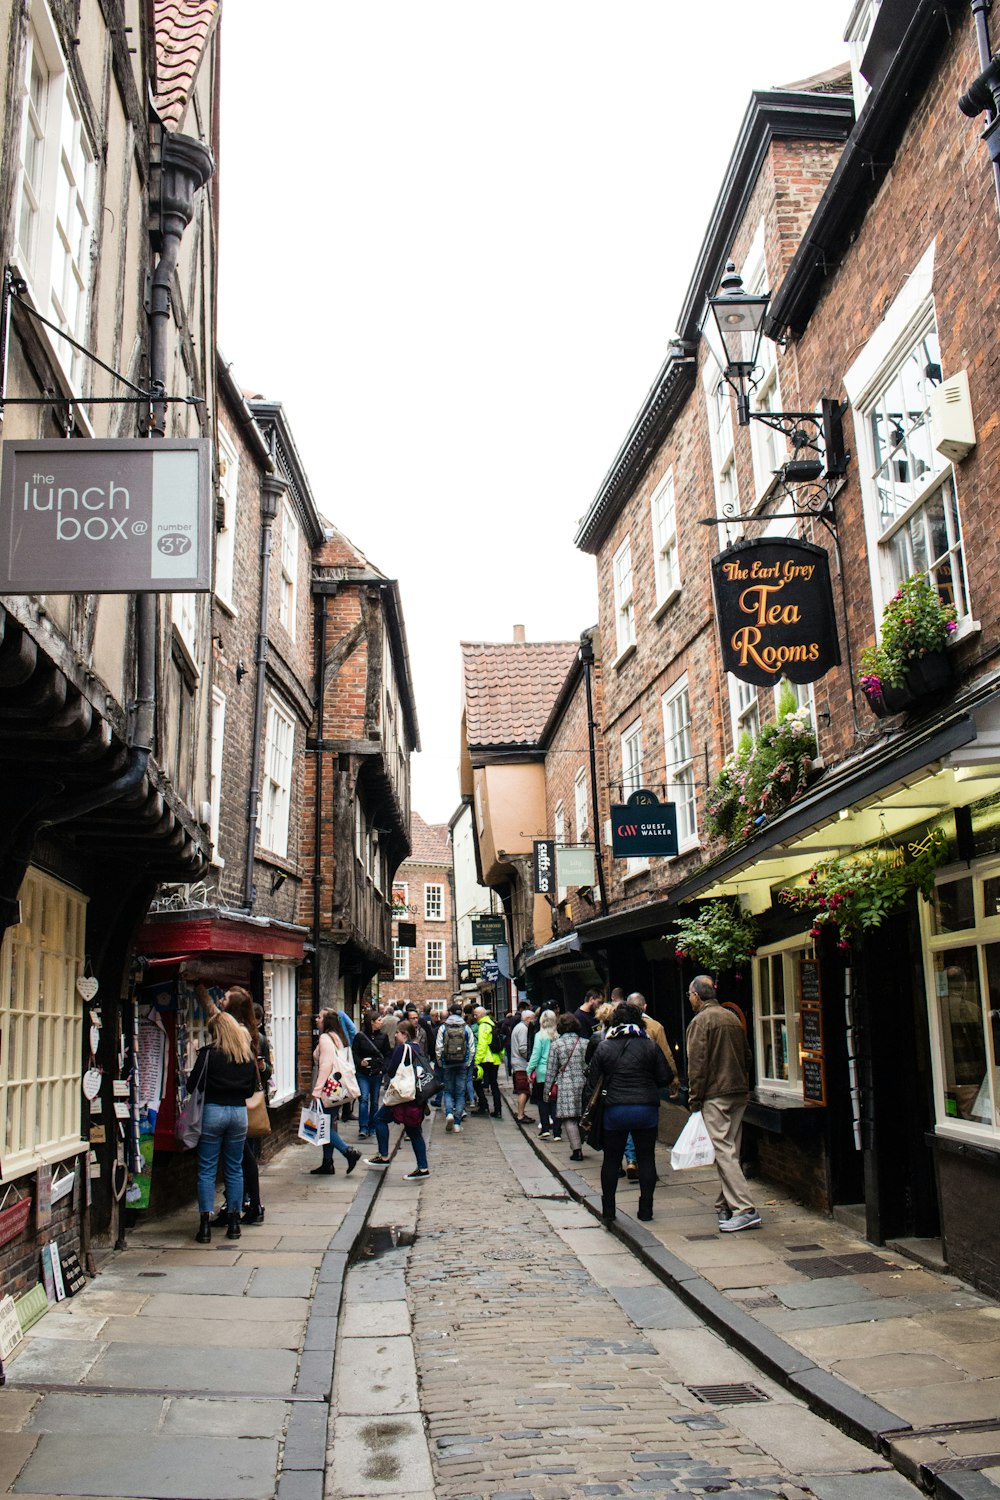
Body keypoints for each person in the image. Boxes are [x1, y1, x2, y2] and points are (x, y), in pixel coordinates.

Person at [586, 1000, 671, 1226]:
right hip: (646, 1110)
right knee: (647, 1159)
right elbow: (665, 1077)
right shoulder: (650, 1046)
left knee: (611, 1160)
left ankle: (609, 1209)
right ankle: (646, 1209)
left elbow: (592, 1082)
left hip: (616, 1110)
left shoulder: (604, 1047)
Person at [686, 974, 760, 1232]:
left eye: (689, 995)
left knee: (724, 1152)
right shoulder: (731, 1017)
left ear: (697, 995)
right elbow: (747, 1056)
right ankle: (725, 1204)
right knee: (730, 1151)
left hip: (715, 1094)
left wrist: (694, 1099)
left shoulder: (700, 1021)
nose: (689, 999)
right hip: (738, 1092)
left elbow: (697, 1065)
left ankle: (745, 1209)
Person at [189, 1011, 259, 1243]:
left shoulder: (209, 1055)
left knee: (207, 1169)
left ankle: (205, 1227)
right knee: (234, 1168)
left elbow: (192, 1086)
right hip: (239, 1114)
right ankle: (234, 1224)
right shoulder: (245, 1056)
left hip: (213, 1111)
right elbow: (250, 1090)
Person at [366, 1020, 431, 1179]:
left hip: (402, 1096)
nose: (395, 1035)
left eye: (397, 1033)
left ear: (405, 1035)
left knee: (379, 1119)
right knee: (414, 1131)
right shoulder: (417, 1049)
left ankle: (383, 1156)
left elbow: (392, 1071)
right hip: (415, 1096)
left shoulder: (402, 1049)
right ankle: (423, 1168)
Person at [311, 1011, 362, 1177]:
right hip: (338, 1089)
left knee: (321, 1126)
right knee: (329, 1124)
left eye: (319, 1017)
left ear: (326, 1021)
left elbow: (326, 1065)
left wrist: (317, 1091)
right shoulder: (337, 1036)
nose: (316, 1019)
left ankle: (348, 1152)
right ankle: (327, 1163)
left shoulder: (326, 1038)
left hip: (328, 1089)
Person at [546, 1013, 588, 1159]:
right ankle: (581, 1139)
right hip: (584, 1084)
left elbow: (551, 1070)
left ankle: (576, 1151)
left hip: (565, 1085)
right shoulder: (585, 1043)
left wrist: (546, 1092)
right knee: (583, 1115)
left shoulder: (556, 1045)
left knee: (569, 1118)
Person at [436, 1002, 475, 1132]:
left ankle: (449, 1114)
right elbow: (472, 1047)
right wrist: (468, 1062)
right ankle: (457, 1124)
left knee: (448, 1091)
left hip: (447, 1063)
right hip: (462, 1063)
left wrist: (440, 1062)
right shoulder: (466, 1028)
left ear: (450, 1013)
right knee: (460, 1093)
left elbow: (439, 1047)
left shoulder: (443, 1028)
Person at [352, 1012, 386, 1139]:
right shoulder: (360, 1036)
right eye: (379, 1020)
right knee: (364, 1099)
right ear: (371, 1022)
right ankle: (363, 1127)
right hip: (363, 1073)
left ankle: (373, 1126)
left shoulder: (383, 1036)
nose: (381, 1022)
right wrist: (360, 1061)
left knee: (375, 1102)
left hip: (377, 1073)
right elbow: (354, 1052)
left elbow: (387, 1054)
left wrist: (383, 1068)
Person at [527, 1009, 559, 1138]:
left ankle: (545, 1128)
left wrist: (529, 1070)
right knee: (555, 1101)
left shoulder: (539, 1036)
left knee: (542, 1101)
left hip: (542, 1072)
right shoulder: (558, 1036)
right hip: (555, 1072)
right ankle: (557, 1132)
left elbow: (536, 1055)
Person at [474, 1007, 503, 1117]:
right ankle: (498, 1110)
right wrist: (500, 1056)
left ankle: (483, 1105)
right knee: (494, 1084)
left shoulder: (483, 1026)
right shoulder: (493, 1024)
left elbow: (482, 1045)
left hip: (485, 1059)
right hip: (495, 1059)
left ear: (481, 1015)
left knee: (476, 1082)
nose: (475, 1017)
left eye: (476, 1014)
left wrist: (477, 1060)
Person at [510, 1009, 536, 1123]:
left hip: (518, 1063)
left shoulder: (519, 1027)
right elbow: (523, 1048)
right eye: (533, 1018)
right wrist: (531, 1059)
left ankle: (521, 1113)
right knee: (524, 1090)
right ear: (528, 1019)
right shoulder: (523, 1029)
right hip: (522, 1064)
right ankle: (520, 1115)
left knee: (524, 1090)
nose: (534, 1021)